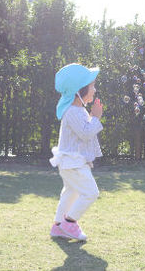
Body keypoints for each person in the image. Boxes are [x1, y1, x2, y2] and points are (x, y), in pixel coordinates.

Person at [49, 63, 103, 241]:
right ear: (80, 90)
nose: (94, 90)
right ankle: (69, 223)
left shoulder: (77, 110)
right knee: (91, 193)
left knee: (70, 193)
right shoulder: (73, 111)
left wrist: (92, 117)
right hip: (73, 163)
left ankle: (58, 226)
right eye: (92, 86)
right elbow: (86, 133)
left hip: (71, 162)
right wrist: (95, 117)